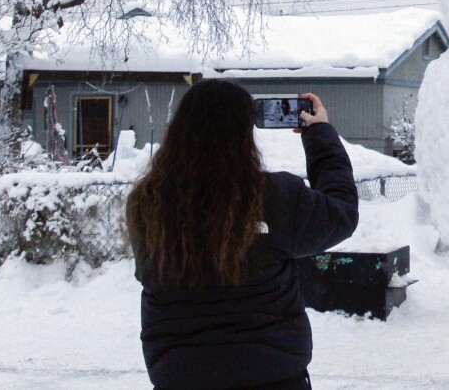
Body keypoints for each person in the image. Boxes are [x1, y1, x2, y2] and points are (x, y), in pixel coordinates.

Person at [126, 79, 358, 390]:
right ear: (244, 134)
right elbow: (342, 213)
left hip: (180, 377)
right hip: (273, 377)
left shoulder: (147, 204)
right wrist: (319, 135)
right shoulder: (274, 198)